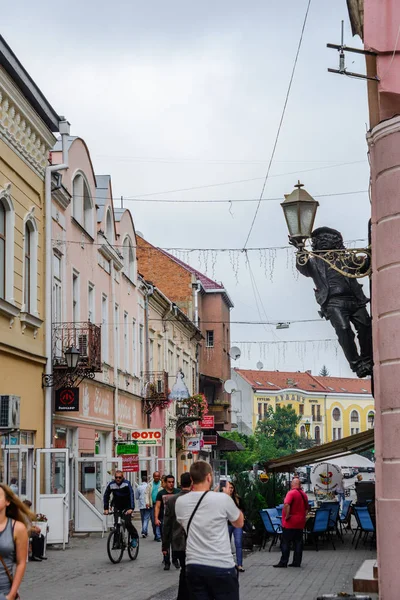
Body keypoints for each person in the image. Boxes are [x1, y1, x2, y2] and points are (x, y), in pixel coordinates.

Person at [292, 226, 372, 378]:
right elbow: (302, 267)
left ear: (336, 241)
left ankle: (367, 360)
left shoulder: (347, 258)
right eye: (319, 239)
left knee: (365, 327)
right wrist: (300, 249)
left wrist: (372, 254)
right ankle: (356, 364)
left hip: (355, 299)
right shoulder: (315, 262)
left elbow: (363, 268)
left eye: (326, 238)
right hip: (333, 302)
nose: (322, 241)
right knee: (343, 329)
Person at [175, 460, 243, 599]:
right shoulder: (223, 499)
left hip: (194, 565)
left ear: (192, 479)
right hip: (221, 565)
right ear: (209, 477)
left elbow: (184, 524)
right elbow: (239, 522)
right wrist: (227, 497)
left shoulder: (180, 502)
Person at [0, 483, 34, 600]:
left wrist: (11, 595)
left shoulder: (17, 528)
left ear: (7, 502)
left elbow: (21, 563)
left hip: (4, 592)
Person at [162, 473, 192, 599]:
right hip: (193, 542)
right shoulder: (195, 499)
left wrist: (165, 546)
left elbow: (167, 525)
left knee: (184, 570)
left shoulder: (172, 500)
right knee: (189, 571)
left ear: (180, 483)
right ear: (191, 483)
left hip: (177, 542)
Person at [274, 477, 309, 569]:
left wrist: (287, 515)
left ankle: (283, 562)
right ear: (300, 485)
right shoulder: (304, 494)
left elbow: (286, 504)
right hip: (300, 523)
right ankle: (296, 562)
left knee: (285, 542)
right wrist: (303, 517)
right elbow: (307, 508)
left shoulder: (291, 493)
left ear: (292, 484)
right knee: (298, 542)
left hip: (290, 523)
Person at [103, 470, 139, 548]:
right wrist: (106, 508)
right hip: (117, 506)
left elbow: (131, 495)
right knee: (117, 525)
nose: (118, 479)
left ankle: (134, 537)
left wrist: (131, 508)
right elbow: (106, 495)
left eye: (120, 477)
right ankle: (117, 543)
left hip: (127, 506)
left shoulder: (126, 483)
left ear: (123, 477)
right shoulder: (111, 485)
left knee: (127, 523)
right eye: (116, 477)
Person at [154, 474, 180, 570]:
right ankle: (166, 561)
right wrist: (156, 518)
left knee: (175, 541)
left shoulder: (178, 492)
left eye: (172, 482)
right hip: (165, 521)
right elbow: (157, 506)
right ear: (165, 483)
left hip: (176, 521)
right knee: (165, 541)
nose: (171, 484)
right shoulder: (161, 493)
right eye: (169, 482)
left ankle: (175, 559)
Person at [226, 481, 245, 572]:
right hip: (227, 524)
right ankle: (228, 564)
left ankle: (240, 564)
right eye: (229, 487)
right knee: (226, 544)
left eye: (232, 488)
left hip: (237, 523)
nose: (231, 489)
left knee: (238, 543)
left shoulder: (238, 499)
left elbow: (242, 510)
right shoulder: (223, 499)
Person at [145, 471, 162, 541]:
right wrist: (147, 502)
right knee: (153, 521)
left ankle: (158, 535)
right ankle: (156, 534)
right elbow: (147, 494)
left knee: (159, 519)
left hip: (161, 505)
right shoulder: (150, 485)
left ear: (159, 476)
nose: (157, 477)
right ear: (153, 477)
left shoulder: (162, 484)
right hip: (153, 505)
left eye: (158, 476)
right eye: (155, 476)